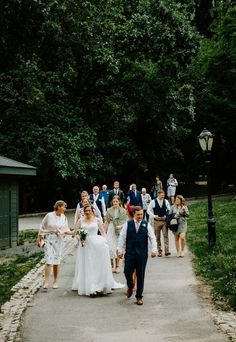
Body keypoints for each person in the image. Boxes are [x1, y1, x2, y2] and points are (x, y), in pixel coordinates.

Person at [72, 205, 124, 296]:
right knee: (89, 265)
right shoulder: (80, 221)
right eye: (86, 211)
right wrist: (80, 238)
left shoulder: (97, 220)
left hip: (97, 244)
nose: (88, 212)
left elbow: (103, 232)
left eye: (89, 210)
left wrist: (105, 242)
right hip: (86, 246)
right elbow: (75, 233)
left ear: (92, 211)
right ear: (83, 211)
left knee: (97, 264)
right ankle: (91, 286)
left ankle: (100, 284)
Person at [117, 206, 157, 305]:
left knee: (140, 274)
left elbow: (152, 237)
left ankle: (139, 296)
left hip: (142, 254)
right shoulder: (128, 224)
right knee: (127, 272)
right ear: (134, 213)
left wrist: (154, 249)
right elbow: (122, 237)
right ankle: (130, 286)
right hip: (130, 253)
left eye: (141, 215)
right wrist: (119, 250)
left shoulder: (146, 224)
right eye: (138, 214)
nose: (140, 216)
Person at [37, 200, 74, 290]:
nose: (65, 209)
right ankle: (46, 282)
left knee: (56, 261)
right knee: (49, 260)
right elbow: (42, 227)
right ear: (58, 207)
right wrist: (39, 238)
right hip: (49, 239)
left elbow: (66, 230)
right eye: (64, 207)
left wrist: (74, 232)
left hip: (59, 241)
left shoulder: (64, 217)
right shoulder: (49, 215)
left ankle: (56, 281)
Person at [104, 196, 127, 273]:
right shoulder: (109, 211)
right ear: (112, 202)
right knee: (110, 247)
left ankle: (117, 265)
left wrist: (120, 226)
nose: (115, 203)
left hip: (119, 230)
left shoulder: (123, 211)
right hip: (111, 229)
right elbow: (106, 221)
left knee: (118, 248)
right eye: (114, 202)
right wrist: (104, 231)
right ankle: (110, 263)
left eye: (116, 201)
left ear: (119, 202)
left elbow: (125, 222)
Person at [147, 190, 171, 257]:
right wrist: (154, 216)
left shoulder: (166, 201)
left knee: (165, 235)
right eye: (162, 195)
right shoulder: (153, 202)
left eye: (163, 195)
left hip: (164, 221)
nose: (163, 196)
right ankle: (159, 251)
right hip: (156, 221)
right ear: (158, 195)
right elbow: (148, 210)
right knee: (157, 237)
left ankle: (167, 250)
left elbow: (169, 210)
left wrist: (166, 216)